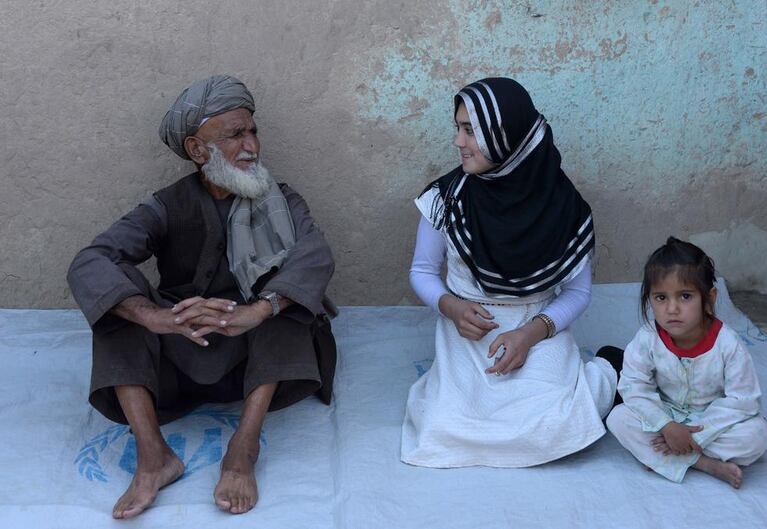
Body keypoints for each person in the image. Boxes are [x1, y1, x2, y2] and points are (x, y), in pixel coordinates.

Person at [67, 75, 337, 517]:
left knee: (289, 299)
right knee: (116, 299)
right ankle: (153, 457)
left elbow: (316, 257)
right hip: (179, 348)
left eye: (252, 131)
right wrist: (156, 317)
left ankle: (243, 447)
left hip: (257, 359)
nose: (251, 145)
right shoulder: (166, 205)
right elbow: (90, 260)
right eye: (235, 135)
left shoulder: (281, 200)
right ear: (197, 150)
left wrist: (255, 311)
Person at [401, 77, 617, 468]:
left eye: (471, 130)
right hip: (468, 331)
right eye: (458, 128)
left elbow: (577, 293)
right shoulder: (446, 199)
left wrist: (528, 334)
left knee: (557, 422)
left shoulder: (565, 207)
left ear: (508, 135)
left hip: (537, 326)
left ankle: (606, 373)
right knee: (440, 428)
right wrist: (451, 308)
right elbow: (422, 271)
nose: (458, 142)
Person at [606, 237, 767, 488]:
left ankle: (669, 457)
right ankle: (704, 464)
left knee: (758, 436)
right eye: (661, 298)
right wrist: (667, 426)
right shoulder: (647, 339)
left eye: (685, 296)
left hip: (709, 421)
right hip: (666, 416)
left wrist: (698, 435)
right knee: (618, 419)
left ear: (710, 298)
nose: (672, 309)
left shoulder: (728, 344)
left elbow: (743, 400)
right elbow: (633, 386)